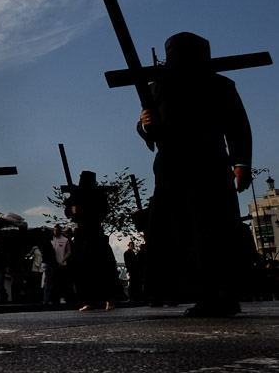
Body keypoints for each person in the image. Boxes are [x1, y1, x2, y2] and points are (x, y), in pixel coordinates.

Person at [138, 32, 252, 316]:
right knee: (177, 231)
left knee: (213, 230)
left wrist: (241, 164)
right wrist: (144, 124)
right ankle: (198, 294)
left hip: (209, 165)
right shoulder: (157, 88)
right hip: (172, 169)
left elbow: (237, 125)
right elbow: (146, 127)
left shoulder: (220, 85)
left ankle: (223, 295)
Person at [65, 171, 121, 311]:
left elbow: (102, 212)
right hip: (80, 234)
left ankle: (110, 299)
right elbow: (68, 212)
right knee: (83, 269)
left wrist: (82, 210)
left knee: (101, 267)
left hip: (94, 233)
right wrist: (72, 210)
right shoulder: (76, 194)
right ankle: (88, 300)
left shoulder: (98, 194)